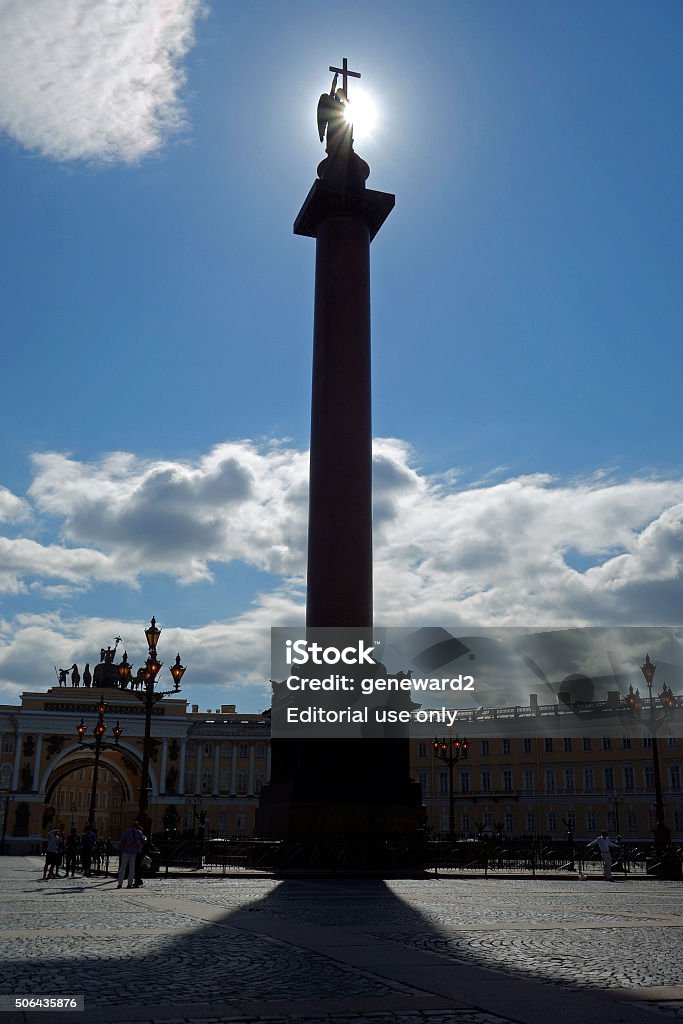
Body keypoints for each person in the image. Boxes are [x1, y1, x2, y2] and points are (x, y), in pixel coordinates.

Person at [117, 820, 144, 889]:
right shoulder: (139, 832)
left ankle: (120, 883)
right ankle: (129, 883)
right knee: (132, 868)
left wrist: (120, 850)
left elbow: (123, 841)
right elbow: (143, 841)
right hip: (134, 852)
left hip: (126, 850)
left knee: (123, 867)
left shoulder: (126, 831)